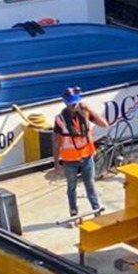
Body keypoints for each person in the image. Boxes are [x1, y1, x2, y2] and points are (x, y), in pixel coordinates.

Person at [54, 87, 108, 221]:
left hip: (87, 156)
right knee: (71, 186)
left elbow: (104, 124)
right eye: (71, 104)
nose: (74, 106)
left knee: (90, 184)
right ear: (65, 103)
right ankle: (73, 213)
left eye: (76, 103)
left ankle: (96, 209)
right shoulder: (60, 120)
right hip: (69, 160)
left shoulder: (85, 113)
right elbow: (56, 142)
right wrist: (56, 164)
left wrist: (89, 109)